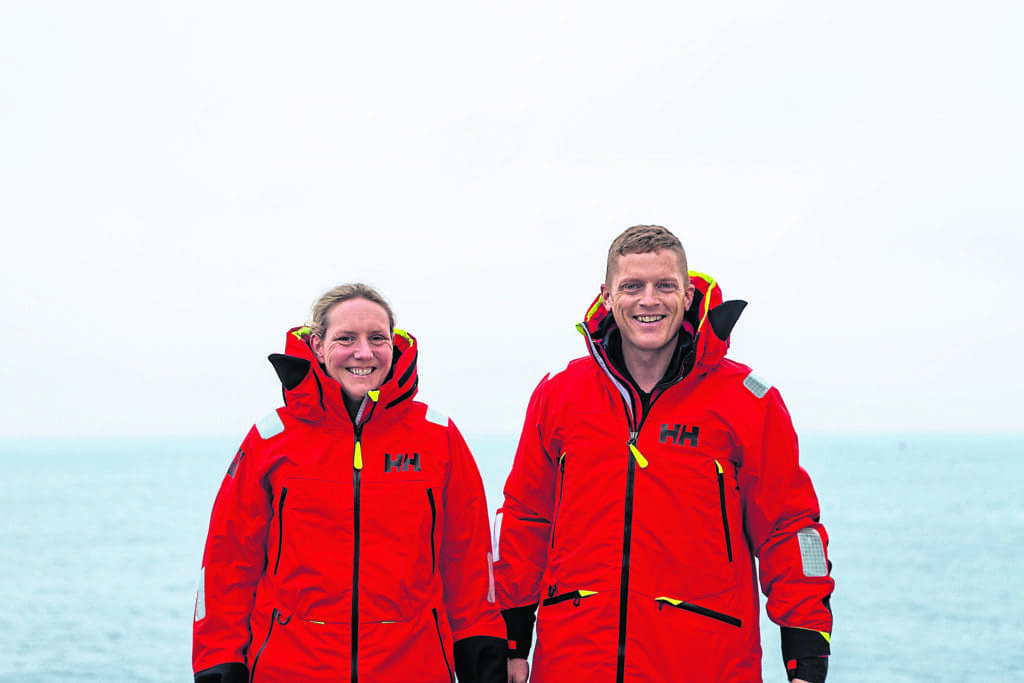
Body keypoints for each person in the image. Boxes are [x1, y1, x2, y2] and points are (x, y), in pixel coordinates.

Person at [494, 226, 834, 683]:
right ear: (608, 296)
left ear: (689, 295)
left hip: (705, 664)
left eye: (665, 285)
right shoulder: (560, 395)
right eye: (632, 286)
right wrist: (514, 641)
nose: (648, 300)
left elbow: (791, 531)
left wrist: (806, 656)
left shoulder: (749, 400)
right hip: (573, 663)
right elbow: (524, 521)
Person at [193, 283, 507, 682]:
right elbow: (228, 563)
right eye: (346, 339)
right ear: (318, 346)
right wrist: (219, 662)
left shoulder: (438, 437)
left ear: (394, 346)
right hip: (290, 668)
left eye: (378, 338)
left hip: (414, 667)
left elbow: (469, 564)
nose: (364, 352)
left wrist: (485, 659)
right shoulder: (270, 440)